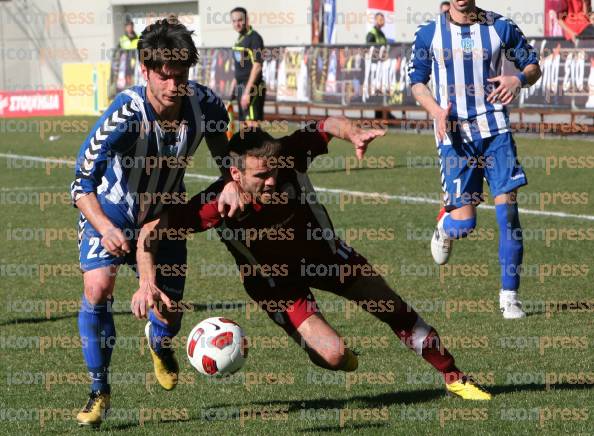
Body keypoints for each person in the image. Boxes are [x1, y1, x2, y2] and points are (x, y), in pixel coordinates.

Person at [135, 117, 492, 402]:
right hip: (276, 285)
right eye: (262, 175)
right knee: (334, 357)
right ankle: (319, 347)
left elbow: (325, 126)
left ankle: (454, 376)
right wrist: (147, 283)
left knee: (392, 307)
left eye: (275, 171)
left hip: (327, 256)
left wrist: (352, 133)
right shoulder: (215, 204)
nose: (273, 180)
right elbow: (148, 234)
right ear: (236, 175)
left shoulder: (289, 153)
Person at [71, 17, 241, 427]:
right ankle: (99, 390)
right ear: (145, 71)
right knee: (98, 287)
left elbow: (227, 156)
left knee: (168, 314)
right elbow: (80, 182)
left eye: (179, 76)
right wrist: (106, 228)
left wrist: (233, 181)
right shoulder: (126, 114)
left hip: (166, 214)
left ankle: (159, 341)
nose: (171, 86)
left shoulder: (207, 105)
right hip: (111, 210)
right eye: (162, 76)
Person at [408, 1, 542, 319]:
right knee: (465, 223)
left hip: (496, 132)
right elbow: (417, 82)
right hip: (454, 137)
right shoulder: (429, 33)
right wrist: (437, 111)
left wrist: (518, 80)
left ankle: (509, 297)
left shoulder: (500, 26)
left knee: (508, 214)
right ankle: (446, 226)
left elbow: (533, 66)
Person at [230, 7, 266, 126]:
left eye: (240, 20)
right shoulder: (239, 39)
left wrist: (247, 92)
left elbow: (257, 66)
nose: (237, 24)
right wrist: (233, 86)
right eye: (234, 21)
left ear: (247, 20)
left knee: (252, 126)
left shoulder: (254, 38)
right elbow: (240, 66)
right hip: (241, 87)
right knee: (243, 126)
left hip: (252, 88)